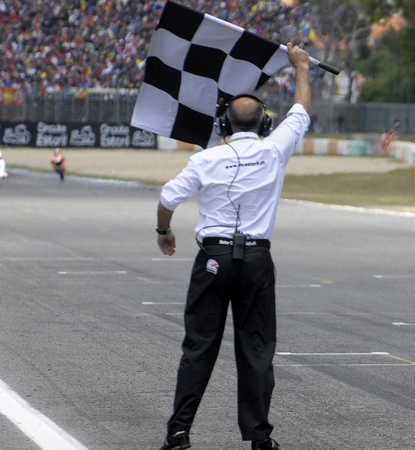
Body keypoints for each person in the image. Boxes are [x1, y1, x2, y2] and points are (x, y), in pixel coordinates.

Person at [154, 43, 311, 450]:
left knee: (199, 347)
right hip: (257, 259)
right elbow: (302, 110)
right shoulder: (275, 150)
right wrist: (301, 67)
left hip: (213, 257)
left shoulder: (206, 159)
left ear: (224, 123)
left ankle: (178, 433)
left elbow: (168, 199)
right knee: (257, 351)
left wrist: (163, 232)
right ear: (264, 125)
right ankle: (259, 439)